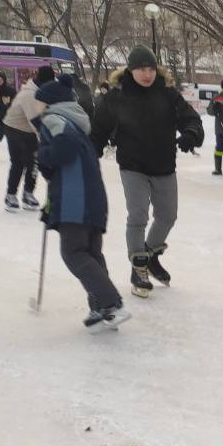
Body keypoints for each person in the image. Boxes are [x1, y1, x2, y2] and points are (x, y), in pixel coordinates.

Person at [90, 45, 204, 298]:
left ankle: (150, 255)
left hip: (164, 165)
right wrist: (90, 151)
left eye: (151, 69)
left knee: (167, 216)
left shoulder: (167, 95)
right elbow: (98, 130)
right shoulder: (117, 98)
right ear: (130, 70)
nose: (147, 74)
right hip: (133, 166)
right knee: (138, 214)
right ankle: (138, 267)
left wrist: (190, 134)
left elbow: (191, 119)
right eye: (141, 69)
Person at [33, 75, 129, 333]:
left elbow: (65, 150)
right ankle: (101, 308)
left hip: (75, 201)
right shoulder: (77, 123)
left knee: (73, 252)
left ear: (50, 102)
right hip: (92, 199)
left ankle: (110, 304)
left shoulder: (54, 119)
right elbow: (67, 168)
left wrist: (41, 155)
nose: (36, 107)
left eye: (38, 102)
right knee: (91, 254)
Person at [1, 65, 54, 210]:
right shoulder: (30, 94)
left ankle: (28, 193)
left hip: (29, 130)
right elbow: (35, 120)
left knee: (34, 162)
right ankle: (11, 195)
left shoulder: (41, 91)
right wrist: (48, 138)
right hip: (14, 127)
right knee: (18, 162)